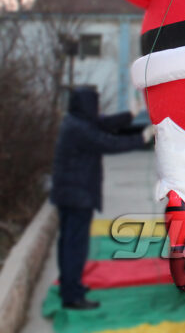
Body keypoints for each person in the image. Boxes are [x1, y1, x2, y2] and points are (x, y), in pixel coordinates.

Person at [50, 86, 153, 309]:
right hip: (77, 195)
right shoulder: (81, 130)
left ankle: (69, 285)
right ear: (87, 105)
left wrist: (131, 115)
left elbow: (104, 123)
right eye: (95, 104)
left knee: (67, 242)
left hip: (68, 193)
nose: (97, 109)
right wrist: (142, 137)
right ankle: (72, 296)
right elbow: (110, 143)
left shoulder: (76, 121)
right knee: (75, 245)